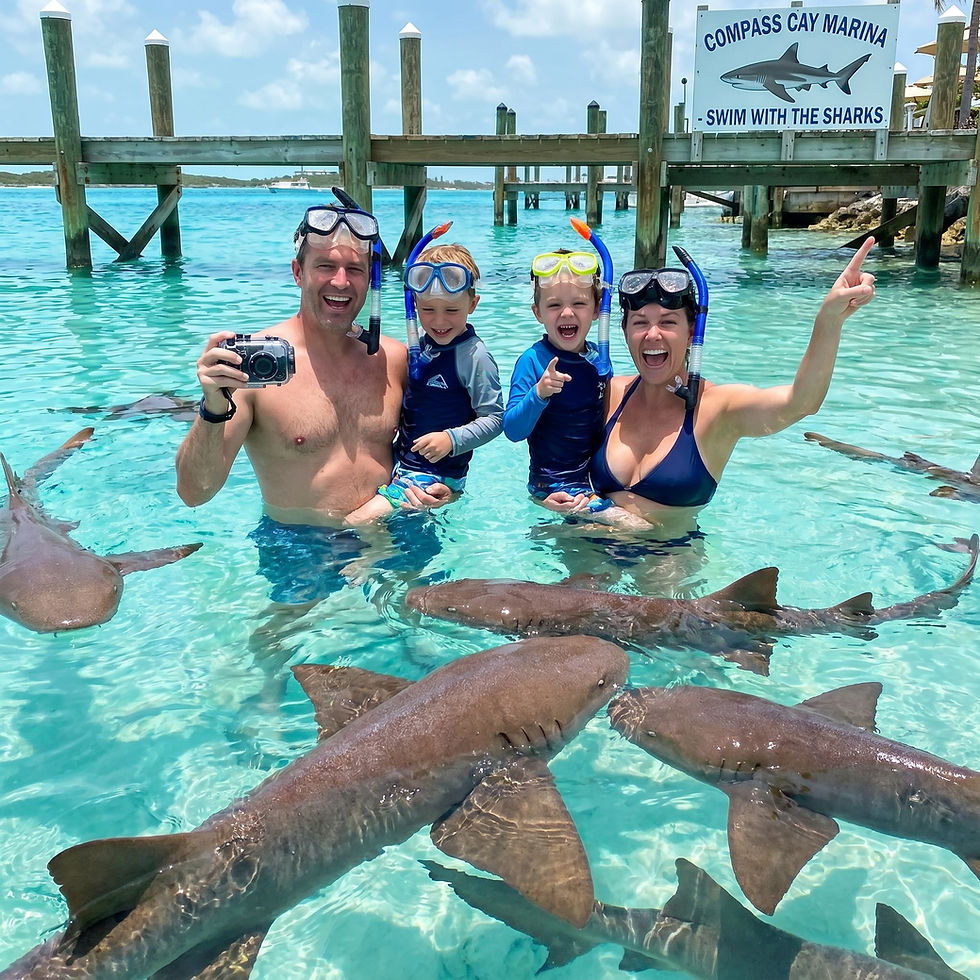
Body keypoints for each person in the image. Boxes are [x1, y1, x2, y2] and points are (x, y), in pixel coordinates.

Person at [175, 202, 450, 602]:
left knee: (424, 644)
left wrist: (440, 490)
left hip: (396, 527)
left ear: (370, 280)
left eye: (355, 269)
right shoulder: (254, 372)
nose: (340, 282)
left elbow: (441, 448)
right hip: (300, 547)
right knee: (277, 651)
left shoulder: (393, 359)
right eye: (325, 266)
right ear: (297, 272)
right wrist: (212, 407)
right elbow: (194, 494)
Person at [589, 236, 877, 529]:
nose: (652, 335)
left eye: (667, 322)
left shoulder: (717, 409)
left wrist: (829, 320)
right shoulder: (607, 394)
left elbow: (801, 403)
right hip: (586, 552)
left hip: (668, 564)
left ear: (691, 333)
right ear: (625, 331)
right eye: (639, 322)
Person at [345, 243, 504, 525]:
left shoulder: (473, 355)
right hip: (405, 465)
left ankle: (361, 567)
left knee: (357, 521)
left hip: (436, 476)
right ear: (415, 305)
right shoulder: (420, 341)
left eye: (451, 310)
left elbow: (494, 417)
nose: (439, 321)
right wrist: (354, 333)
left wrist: (451, 439)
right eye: (428, 309)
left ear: (473, 304)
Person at [504, 249, 643, 527]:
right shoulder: (533, 361)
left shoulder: (598, 359)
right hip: (554, 487)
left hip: (593, 481)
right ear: (537, 313)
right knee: (636, 528)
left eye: (578, 303)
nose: (566, 313)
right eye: (554, 305)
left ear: (596, 309)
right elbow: (512, 430)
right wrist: (539, 393)